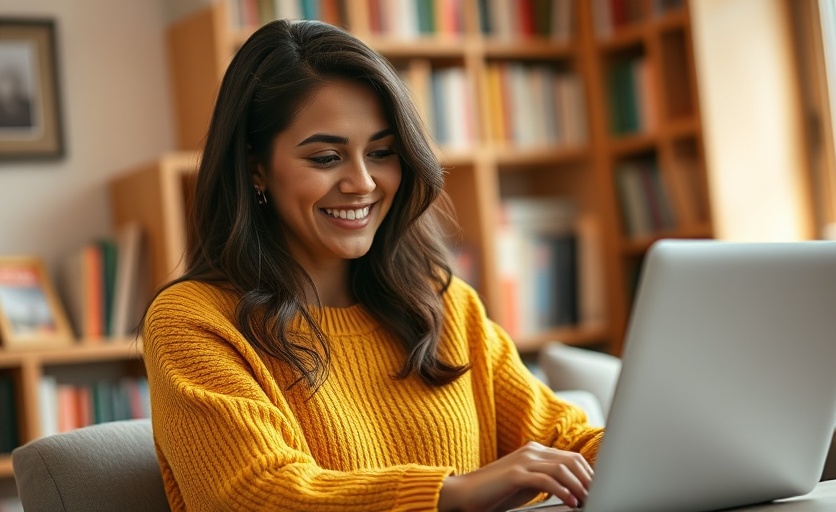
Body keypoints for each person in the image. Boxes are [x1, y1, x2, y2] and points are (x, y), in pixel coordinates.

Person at [142, 18, 603, 512]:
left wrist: (658, 454)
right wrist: (454, 494)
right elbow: (252, 493)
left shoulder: (442, 303)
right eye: (325, 157)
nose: (362, 182)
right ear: (257, 167)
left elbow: (563, 437)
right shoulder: (192, 322)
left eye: (381, 152)